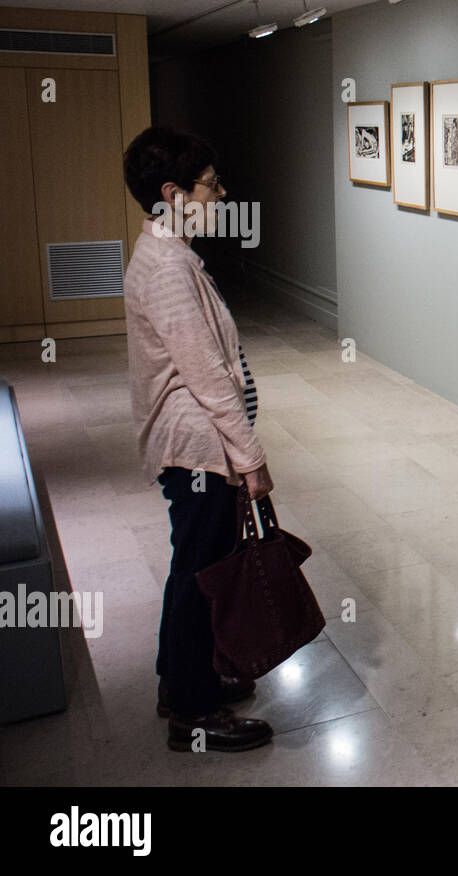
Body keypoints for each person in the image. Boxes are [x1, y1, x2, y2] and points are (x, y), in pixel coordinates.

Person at [122, 126, 275, 753]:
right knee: (201, 574)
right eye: (210, 184)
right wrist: (249, 456)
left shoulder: (171, 254)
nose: (221, 193)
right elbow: (207, 374)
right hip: (196, 447)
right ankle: (193, 713)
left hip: (197, 443)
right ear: (171, 192)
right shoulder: (165, 267)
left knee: (194, 567)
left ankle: (181, 681)